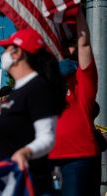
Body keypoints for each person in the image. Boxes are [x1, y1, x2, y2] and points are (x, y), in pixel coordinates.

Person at [0, 28, 66, 195]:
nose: (3, 54)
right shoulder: (17, 92)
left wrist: (26, 152)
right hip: (4, 183)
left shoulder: (38, 88)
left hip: (26, 184)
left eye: (6, 49)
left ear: (17, 53)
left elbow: (47, 137)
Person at [48, 6, 101, 195]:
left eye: (71, 44)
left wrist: (76, 11)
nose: (67, 49)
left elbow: (85, 44)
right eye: (63, 46)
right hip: (46, 157)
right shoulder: (46, 82)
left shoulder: (83, 81)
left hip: (77, 157)